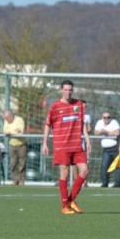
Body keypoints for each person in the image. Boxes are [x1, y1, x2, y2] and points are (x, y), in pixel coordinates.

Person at [41, 80, 90, 215]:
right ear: (61, 90)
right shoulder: (55, 107)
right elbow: (47, 124)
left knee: (85, 171)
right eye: (66, 90)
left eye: (70, 90)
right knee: (65, 173)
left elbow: (82, 124)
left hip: (76, 145)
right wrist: (45, 143)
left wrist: (87, 139)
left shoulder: (79, 104)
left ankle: (70, 200)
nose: (68, 92)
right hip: (61, 146)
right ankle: (65, 206)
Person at [94, 111, 120, 188]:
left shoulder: (114, 122)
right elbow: (96, 132)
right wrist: (110, 132)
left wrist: (105, 132)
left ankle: (117, 184)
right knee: (104, 166)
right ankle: (105, 183)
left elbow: (117, 133)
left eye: (108, 117)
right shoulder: (99, 122)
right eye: (105, 117)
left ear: (111, 118)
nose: (106, 119)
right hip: (106, 149)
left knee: (118, 166)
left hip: (115, 147)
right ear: (102, 118)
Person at [2, 109, 27, 186]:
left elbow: (20, 131)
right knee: (13, 163)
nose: (6, 120)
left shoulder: (19, 120)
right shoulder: (6, 121)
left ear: (11, 116)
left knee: (22, 163)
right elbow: (5, 131)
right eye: (5, 119)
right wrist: (12, 132)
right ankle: (15, 180)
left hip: (21, 144)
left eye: (7, 118)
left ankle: (21, 180)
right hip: (12, 144)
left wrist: (11, 132)